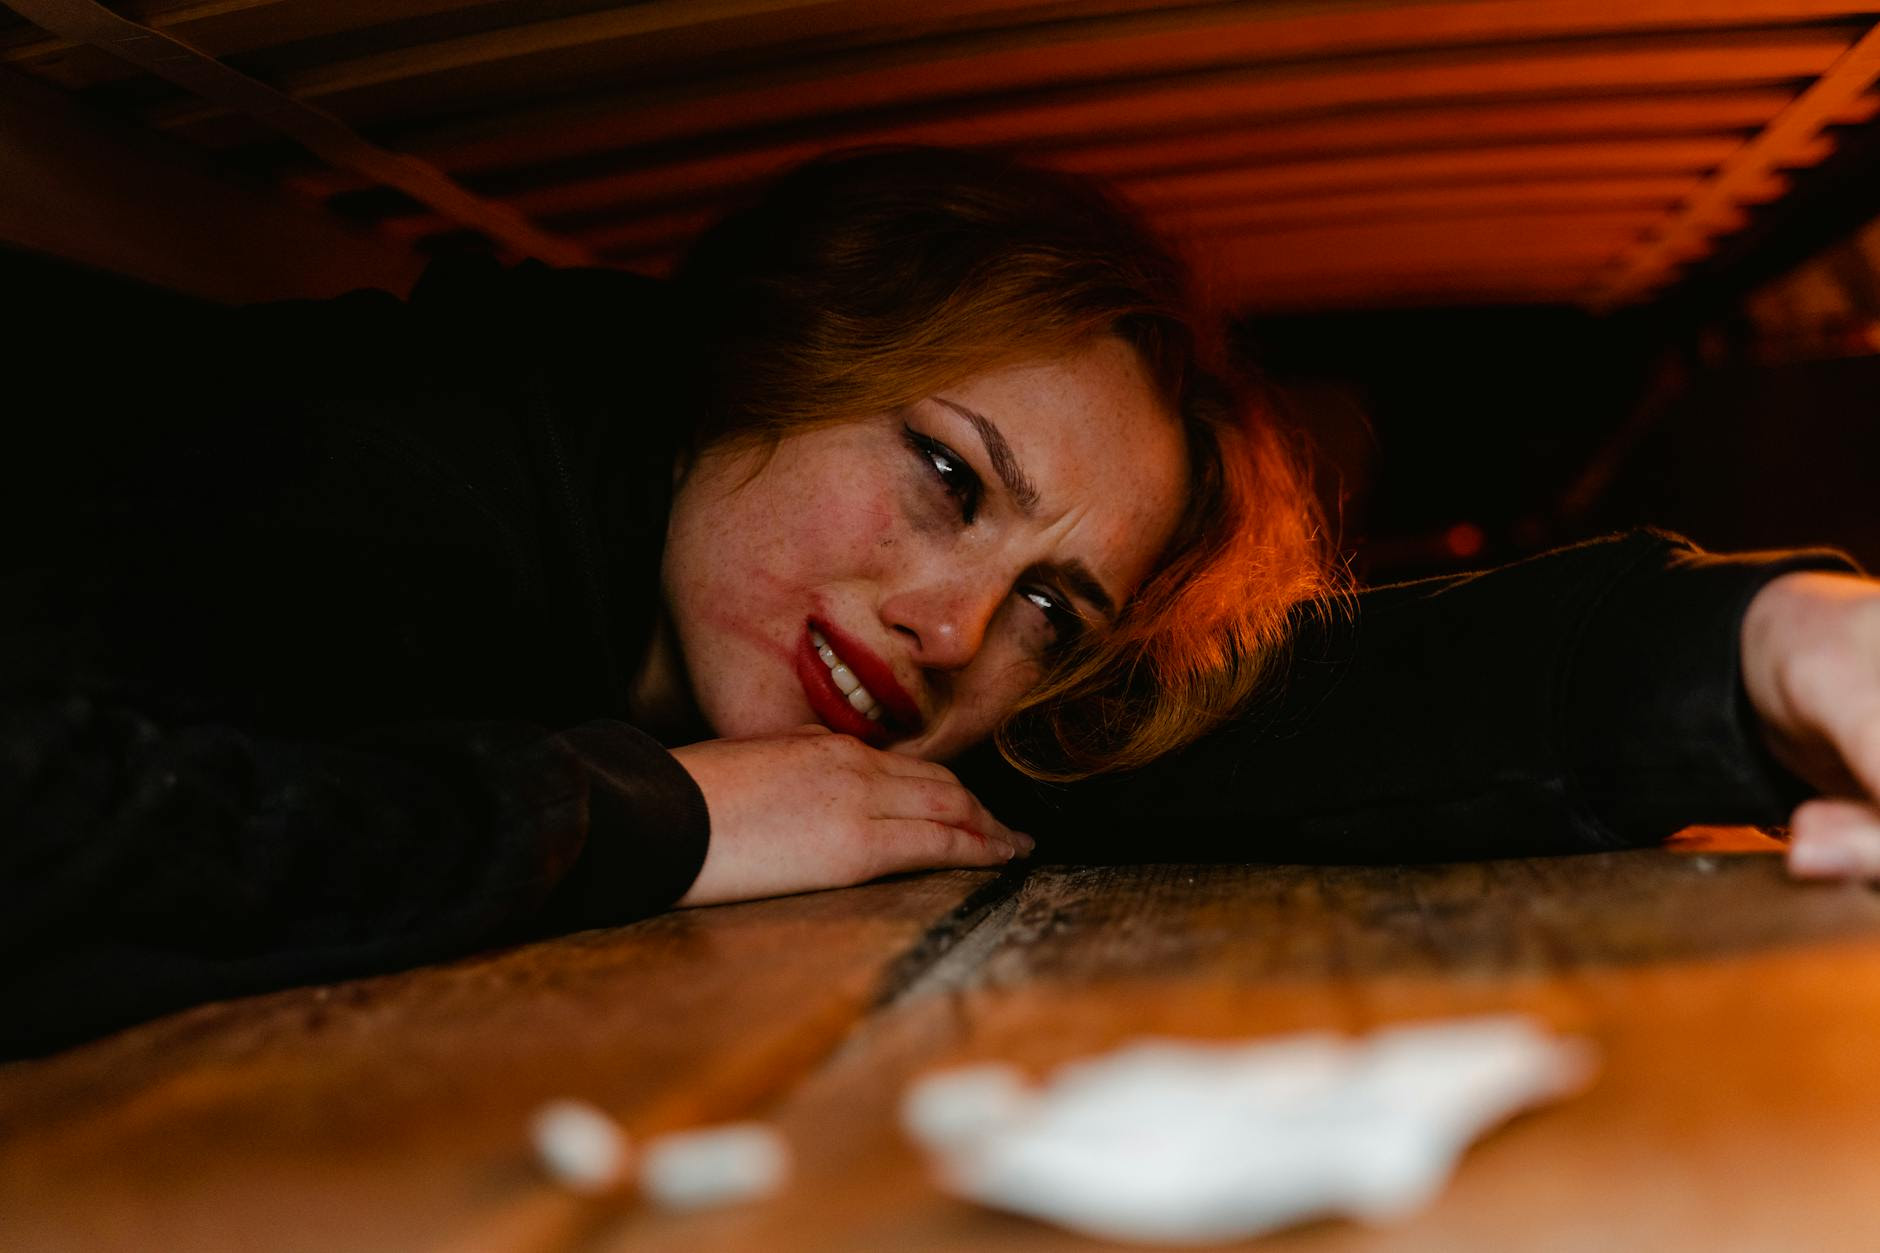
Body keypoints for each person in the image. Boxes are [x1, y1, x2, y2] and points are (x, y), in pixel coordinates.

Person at [1, 147, 1874, 1058]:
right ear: (784, 346)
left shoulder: (827, 665)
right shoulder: (380, 465)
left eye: (1057, 608)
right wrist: (636, 812)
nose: (961, 625)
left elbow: (1290, 707)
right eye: (950, 474)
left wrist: (1768, 642)